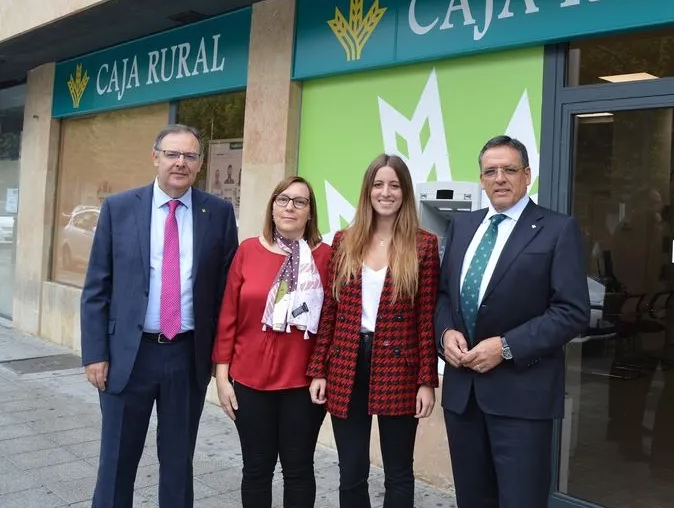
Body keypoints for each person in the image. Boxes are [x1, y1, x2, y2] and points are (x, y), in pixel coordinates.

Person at [80, 124, 239, 508]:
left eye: (189, 156)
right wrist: (95, 354)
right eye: (172, 154)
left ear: (199, 164)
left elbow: (225, 293)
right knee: (116, 460)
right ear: (155, 157)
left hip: (187, 356)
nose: (180, 163)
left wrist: (222, 362)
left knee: (178, 464)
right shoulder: (119, 208)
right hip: (126, 357)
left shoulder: (217, 213)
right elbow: (97, 287)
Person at [435, 135, 590, 508]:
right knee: (473, 500)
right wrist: (445, 333)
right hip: (463, 397)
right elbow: (443, 296)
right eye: (491, 171)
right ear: (482, 178)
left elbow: (571, 311)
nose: (500, 178)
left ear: (527, 176)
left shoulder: (557, 229)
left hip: (522, 397)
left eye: (509, 169)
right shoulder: (463, 226)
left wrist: (505, 347)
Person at [307, 154, 440, 508]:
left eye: (394, 185)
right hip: (346, 362)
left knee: (398, 471)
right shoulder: (344, 241)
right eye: (378, 185)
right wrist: (319, 368)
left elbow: (426, 318)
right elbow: (330, 311)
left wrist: (427, 380)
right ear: (367, 191)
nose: (386, 192)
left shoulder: (424, 244)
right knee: (351, 469)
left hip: (399, 367)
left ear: (405, 192)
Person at [213, 176, 331, 507]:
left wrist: (324, 371)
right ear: (272, 206)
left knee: (298, 471)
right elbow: (228, 317)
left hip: (303, 384)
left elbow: (333, 324)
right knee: (256, 469)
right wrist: (222, 376)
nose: (290, 207)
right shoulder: (248, 250)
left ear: (310, 212)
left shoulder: (327, 257)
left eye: (299, 201)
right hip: (249, 381)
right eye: (283, 199)